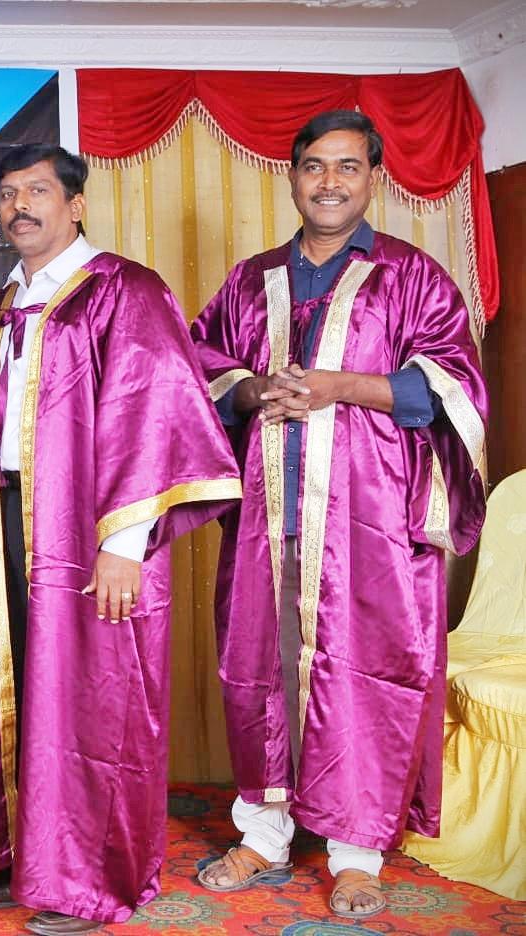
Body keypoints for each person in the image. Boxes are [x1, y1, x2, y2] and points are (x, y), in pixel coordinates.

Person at [0, 144, 241, 935]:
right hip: (3, 523)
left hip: (90, 529)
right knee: (15, 689)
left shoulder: (125, 291)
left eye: (38, 190)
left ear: (75, 205)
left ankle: (90, 880)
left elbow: (151, 415)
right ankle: (20, 855)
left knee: (94, 701)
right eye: (8, 194)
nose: (20, 206)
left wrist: (126, 544)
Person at [189, 110, 487, 920]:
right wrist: (253, 389)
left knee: (363, 675)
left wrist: (339, 387)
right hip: (267, 520)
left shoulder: (412, 277)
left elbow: (452, 387)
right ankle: (265, 834)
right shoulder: (250, 281)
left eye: (347, 167)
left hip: (369, 524)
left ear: (373, 179)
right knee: (261, 668)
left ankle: (356, 852)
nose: (329, 182)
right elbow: (201, 368)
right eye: (314, 166)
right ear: (292, 177)